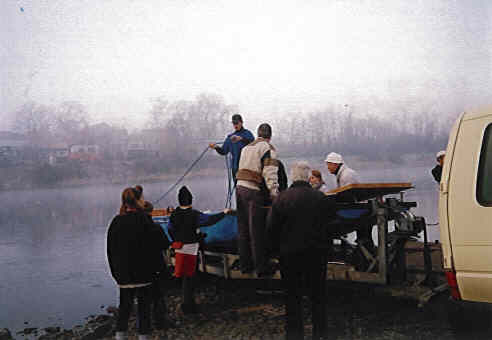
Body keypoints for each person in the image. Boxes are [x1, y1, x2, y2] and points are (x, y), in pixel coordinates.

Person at [267, 161, 330, 340]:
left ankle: (294, 335)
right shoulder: (320, 198)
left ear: (293, 176)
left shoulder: (281, 199)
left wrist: (274, 252)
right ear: (307, 177)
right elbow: (331, 224)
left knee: (292, 298)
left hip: (289, 255)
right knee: (318, 296)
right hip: (316, 254)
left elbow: (271, 229)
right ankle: (320, 334)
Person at [107, 188, 169, 340]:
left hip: (123, 275)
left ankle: (120, 337)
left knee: (124, 310)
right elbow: (163, 243)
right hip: (144, 274)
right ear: (139, 201)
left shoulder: (116, 221)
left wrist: (115, 273)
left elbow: (110, 250)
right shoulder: (145, 220)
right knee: (143, 311)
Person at [168, 186, 231, 314]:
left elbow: (170, 229)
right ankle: (189, 306)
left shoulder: (174, 214)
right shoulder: (194, 214)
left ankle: (186, 304)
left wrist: (176, 239)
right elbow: (209, 220)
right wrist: (224, 213)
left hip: (179, 249)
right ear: (190, 200)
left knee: (184, 276)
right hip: (191, 250)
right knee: (190, 277)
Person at [235, 123, 279, 276]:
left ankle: (245, 266)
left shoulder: (246, 147)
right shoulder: (268, 148)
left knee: (243, 229)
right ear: (270, 136)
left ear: (258, 134)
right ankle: (261, 268)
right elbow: (270, 173)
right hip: (253, 191)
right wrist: (275, 195)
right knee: (257, 230)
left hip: (239, 189)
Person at [142, 201, 174, 330]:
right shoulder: (155, 227)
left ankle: (145, 324)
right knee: (158, 296)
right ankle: (160, 322)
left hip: (140, 267)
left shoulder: (135, 228)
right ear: (151, 212)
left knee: (143, 298)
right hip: (156, 266)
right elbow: (165, 244)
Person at [209, 114, 255, 182]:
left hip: (247, 168)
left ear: (241, 122)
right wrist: (216, 147)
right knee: (238, 190)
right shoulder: (230, 138)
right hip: (235, 169)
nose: (235, 125)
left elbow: (253, 145)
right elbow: (223, 151)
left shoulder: (248, 134)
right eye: (234, 123)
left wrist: (241, 139)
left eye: (237, 123)